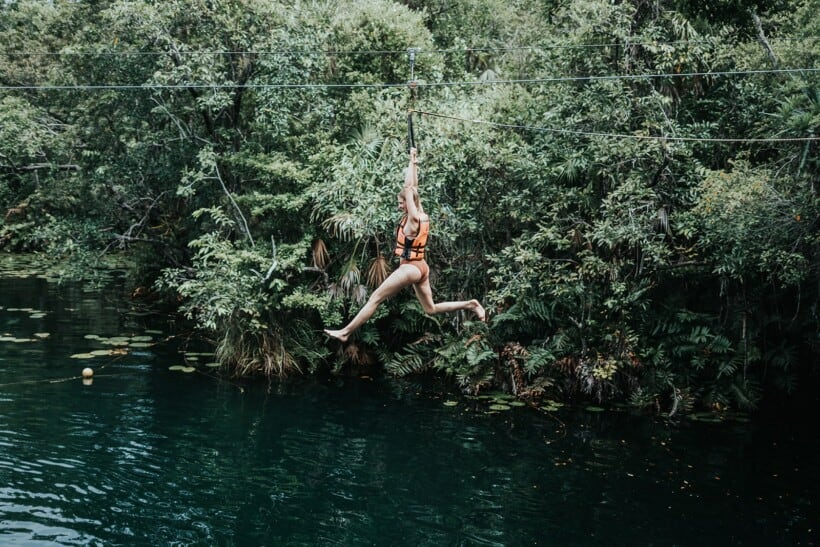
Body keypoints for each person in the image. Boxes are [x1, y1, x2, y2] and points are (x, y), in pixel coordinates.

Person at [324, 147, 485, 343]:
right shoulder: (421, 213)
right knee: (430, 309)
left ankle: (345, 332)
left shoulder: (412, 221)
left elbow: (409, 190)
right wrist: (412, 160)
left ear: (408, 204)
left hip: (410, 268)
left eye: (401, 203)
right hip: (421, 267)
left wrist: (412, 164)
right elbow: (412, 188)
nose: (400, 205)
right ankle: (470, 304)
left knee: (375, 298)